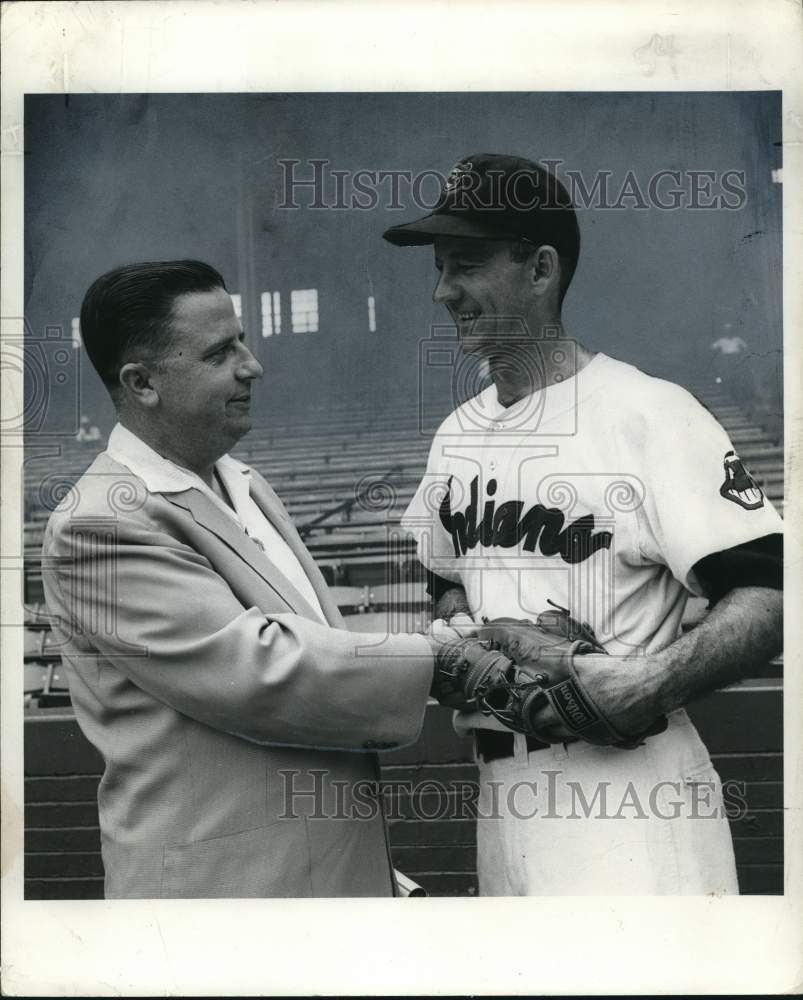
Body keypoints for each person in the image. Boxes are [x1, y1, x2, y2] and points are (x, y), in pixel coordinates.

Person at [384, 154, 783, 895]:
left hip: (628, 791)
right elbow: (443, 583)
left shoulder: (649, 413)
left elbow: (772, 594)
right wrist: (469, 642)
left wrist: (645, 683)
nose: (443, 292)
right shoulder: (455, 434)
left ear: (540, 270)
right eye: (438, 269)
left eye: (465, 265)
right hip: (499, 791)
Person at [41, 260, 453, 899]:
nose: (252, 365)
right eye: (219, 352)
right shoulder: (98, 524)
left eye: (243, 339)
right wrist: (451, 662)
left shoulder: (246, 484)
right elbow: (262, 673)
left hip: (315, 889)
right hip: (216, 904)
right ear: (142, 382)